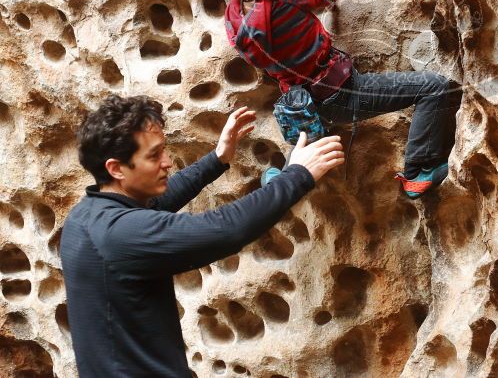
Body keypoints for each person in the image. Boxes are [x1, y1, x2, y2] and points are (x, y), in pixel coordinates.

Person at [61, 95, 343, 377]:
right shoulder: (118, 235)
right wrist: (298, 174)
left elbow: (157, 203)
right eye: (154, 155)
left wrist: (217, 159)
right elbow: (225, 229)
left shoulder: (86, 215)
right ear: (116, 168)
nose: (167, 162)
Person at [223, 0, 462, 198]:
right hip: (340, 91)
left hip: (301, 105)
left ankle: (282, 179)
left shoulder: (234, 17)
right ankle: (418, 172)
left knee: (309, 137)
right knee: (433, 87)